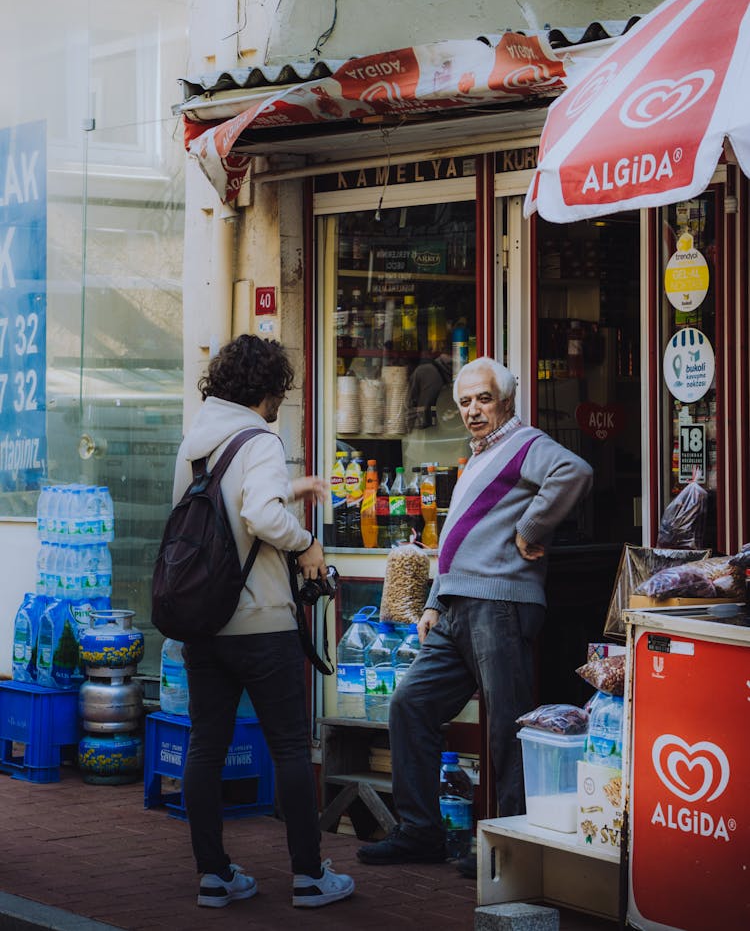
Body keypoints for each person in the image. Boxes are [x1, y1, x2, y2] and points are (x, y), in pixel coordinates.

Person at [357, 356, 593, 869]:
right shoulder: (481, 455)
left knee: (508, 726)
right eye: (464, 402)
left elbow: (575, 471)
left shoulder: (525, 444)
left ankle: (513, 848)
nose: (473, 410)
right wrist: (436, 600)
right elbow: (460, 538)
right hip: (458, 608)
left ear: (506, 401)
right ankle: (420, 832)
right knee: (410, 705)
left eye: (483, 399)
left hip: (500, 604)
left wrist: (532, 528)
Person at [175, 334, 354, 910]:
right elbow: (257, 513)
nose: (282, 399)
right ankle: (308, 876)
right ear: (268, 388)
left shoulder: (196, 440)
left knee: (205, 746)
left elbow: (222, 510)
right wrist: (306, 544)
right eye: (281, 388)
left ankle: (214, 876)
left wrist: (289, 491)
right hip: (261, 621)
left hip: (204, 622)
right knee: (289, 749)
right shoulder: (261, 437)